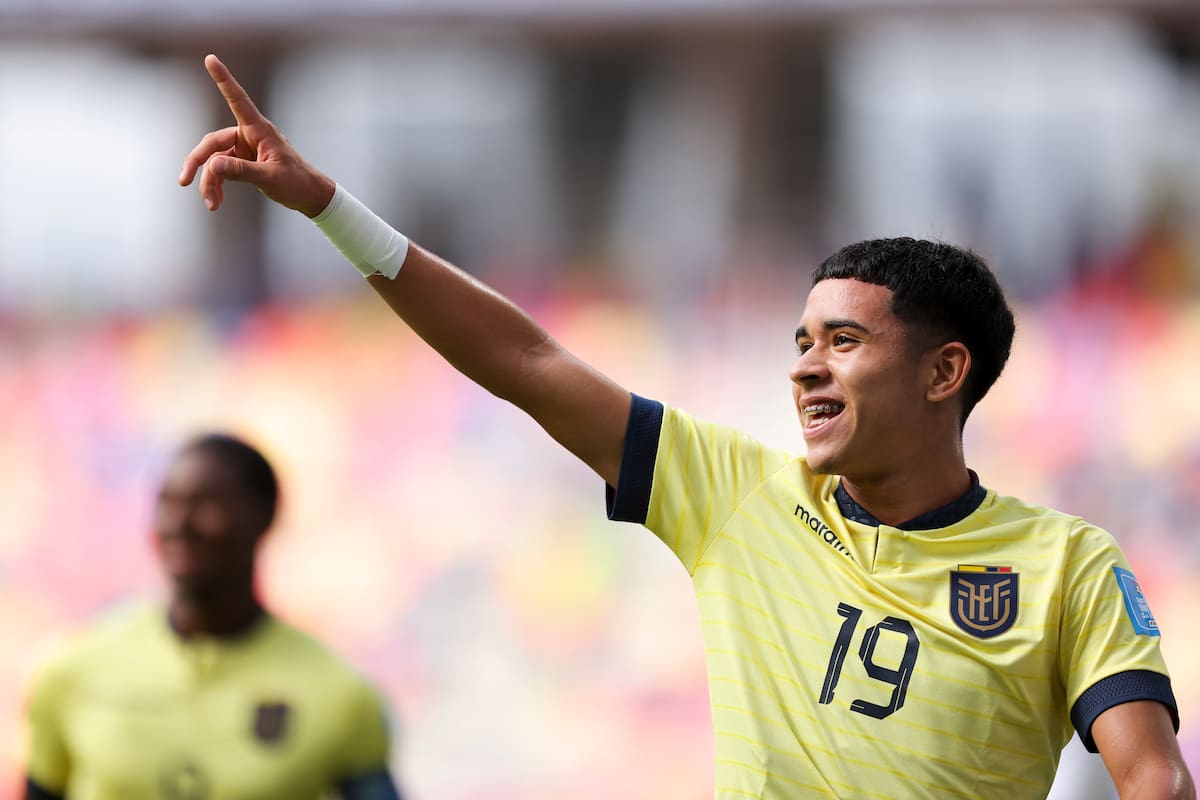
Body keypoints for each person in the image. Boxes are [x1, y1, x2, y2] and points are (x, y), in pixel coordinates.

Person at [178, 54, 1195, 800]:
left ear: (944, 372)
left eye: (843, 341)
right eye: (801, 340)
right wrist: (330, 209)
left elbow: (1152, 775)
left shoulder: (1066, 565)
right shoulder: (735, 494)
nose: (805, 365)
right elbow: (527, 362)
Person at [23, 433, 402, 800]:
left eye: (205, 505)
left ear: (264, 516)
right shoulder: (75, 669)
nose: (180, 524)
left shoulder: (338, 695)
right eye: (168, 504)